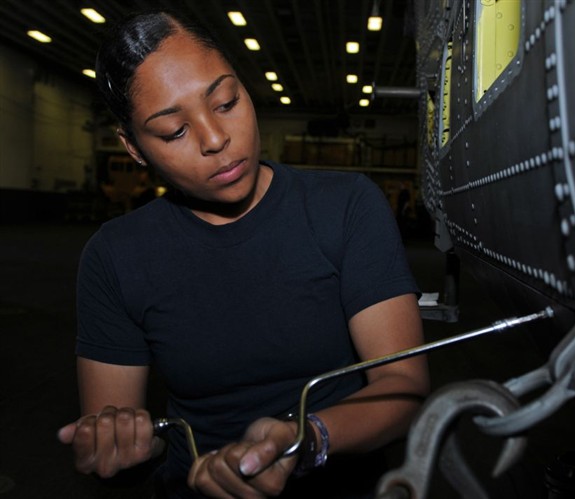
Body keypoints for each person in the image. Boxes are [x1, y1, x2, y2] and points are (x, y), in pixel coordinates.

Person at [57, 9, 429, 499]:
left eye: (226, 102)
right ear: (134, 148)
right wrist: (118, 444)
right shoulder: (114, 256)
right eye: (174, 132)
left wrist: (306, 436)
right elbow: (117, 441)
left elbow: (402, 382)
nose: (216, 140)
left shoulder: (345, 207)